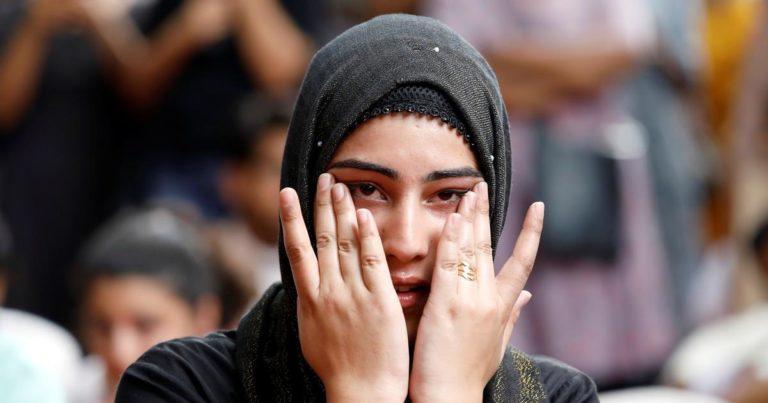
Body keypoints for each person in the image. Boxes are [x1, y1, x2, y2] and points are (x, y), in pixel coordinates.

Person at [116, 15, 598, 402]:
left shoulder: (559, 397)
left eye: (447, 195)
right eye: (367, 189)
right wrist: (360, 390)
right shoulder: (180, 386)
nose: (405, 242)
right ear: (305, 190)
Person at [75, 207, 221, 401]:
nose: (120, 352)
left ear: (204, 318)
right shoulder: (66, 391)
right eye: (102, 327)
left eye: (145, 325)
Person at [209, 96, 291, 326]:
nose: (290, 185)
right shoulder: (208, 257)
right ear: (235, 178)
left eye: (298, 169)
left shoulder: (329, 262)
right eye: (275, 169)